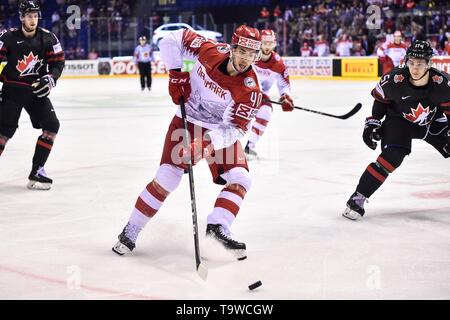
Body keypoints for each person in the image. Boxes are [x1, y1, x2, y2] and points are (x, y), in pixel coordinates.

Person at [112, 25, 264, 260]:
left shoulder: (251, 91)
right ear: (232, 48)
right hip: (187, 120)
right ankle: (131, 230)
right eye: (242, 51)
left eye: (252, 54)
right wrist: (176, 73)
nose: (246, 58)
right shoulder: (209, 50)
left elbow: (235, 129)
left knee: (241, 178)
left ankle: (218, 226)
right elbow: (170, 40)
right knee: (167, 178)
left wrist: (205, 145)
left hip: (217, 132)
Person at [343, 40, 450, 220]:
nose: (415, 68)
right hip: (400, 121)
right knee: (391, 157)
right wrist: (373, 122)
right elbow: (381, 101)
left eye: (420, 64)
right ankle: (358, 198)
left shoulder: (443, 83)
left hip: (433, 122)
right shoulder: (394, 79)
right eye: (412, 63)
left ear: (429, 64)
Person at [0, 0, 65, 190]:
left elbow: (58, 63)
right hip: (12, 91)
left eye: (35, 15)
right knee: (4, 133)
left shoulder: (48, 38)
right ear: (21, 17)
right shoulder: (8, 38)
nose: (33, 19)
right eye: (29, 16)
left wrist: (51, 78)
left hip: (36, 91)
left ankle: (37, 171)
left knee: (52, 125)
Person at [245, 29, 293, 159]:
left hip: (260, 95)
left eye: (270, 43)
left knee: (266, 112)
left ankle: (249, 147)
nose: (267, 46)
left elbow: (284, 85)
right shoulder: (250, 55)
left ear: (274, 44)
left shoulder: (279, 64)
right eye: (264, 42)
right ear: (259, 43)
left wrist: (285, 97)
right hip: (241, 91)